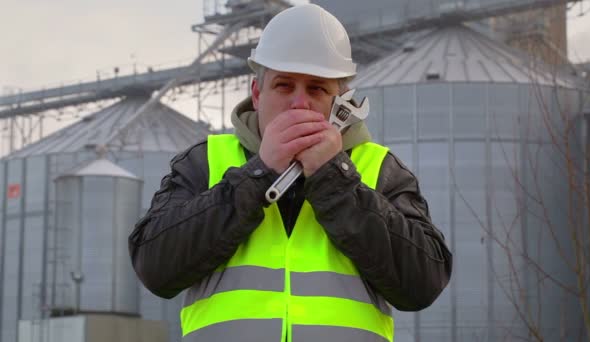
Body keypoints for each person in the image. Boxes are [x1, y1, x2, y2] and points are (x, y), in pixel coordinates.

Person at [129, 4, 451, 342]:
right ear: (257, 94)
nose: (300, 104)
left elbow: (423, 285)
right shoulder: (205, 163)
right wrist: (258, 174)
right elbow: (154, 268)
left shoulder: (380, 169)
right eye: (284, 86)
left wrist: (334, 179)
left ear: (339, 101)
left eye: (317, 89)